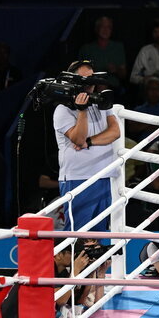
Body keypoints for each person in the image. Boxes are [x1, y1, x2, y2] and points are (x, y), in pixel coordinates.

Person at [53, 60, 121, 241]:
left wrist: (90, 142)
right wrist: (81, 110)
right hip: (78, 179)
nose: (89, 85)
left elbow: (115, 132)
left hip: (104, 177)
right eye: (84, 80)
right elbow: (78, 138)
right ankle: (74, 270)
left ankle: (97, 271)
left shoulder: (101, 101)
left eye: (91, 79)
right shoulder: (62, 110)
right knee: (78, 238)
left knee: (97, 239)